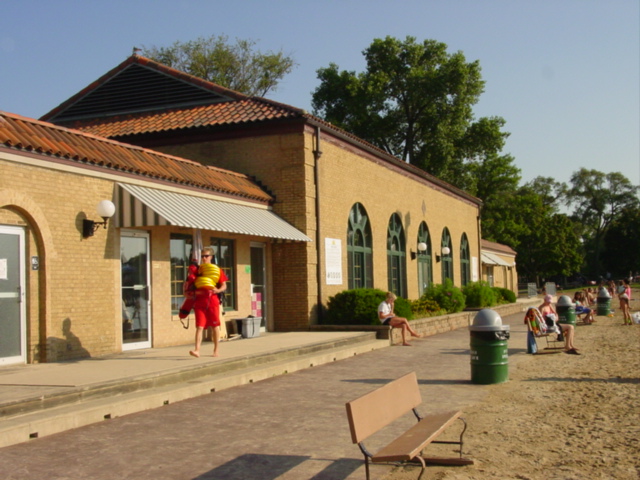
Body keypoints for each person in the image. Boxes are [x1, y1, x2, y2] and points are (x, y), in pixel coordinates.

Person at [188, 247, 228, 358]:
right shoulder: (198, 270)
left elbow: (224, 285)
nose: (204, 258)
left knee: (215, 326)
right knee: (199, 326)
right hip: (200, 301)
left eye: (206, 256)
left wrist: (218, 290)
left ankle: (216, 350)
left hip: (212, 300)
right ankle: (197, 350)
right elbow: (190, 282)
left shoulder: (216, 270)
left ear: (211, 257)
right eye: (202, 256)